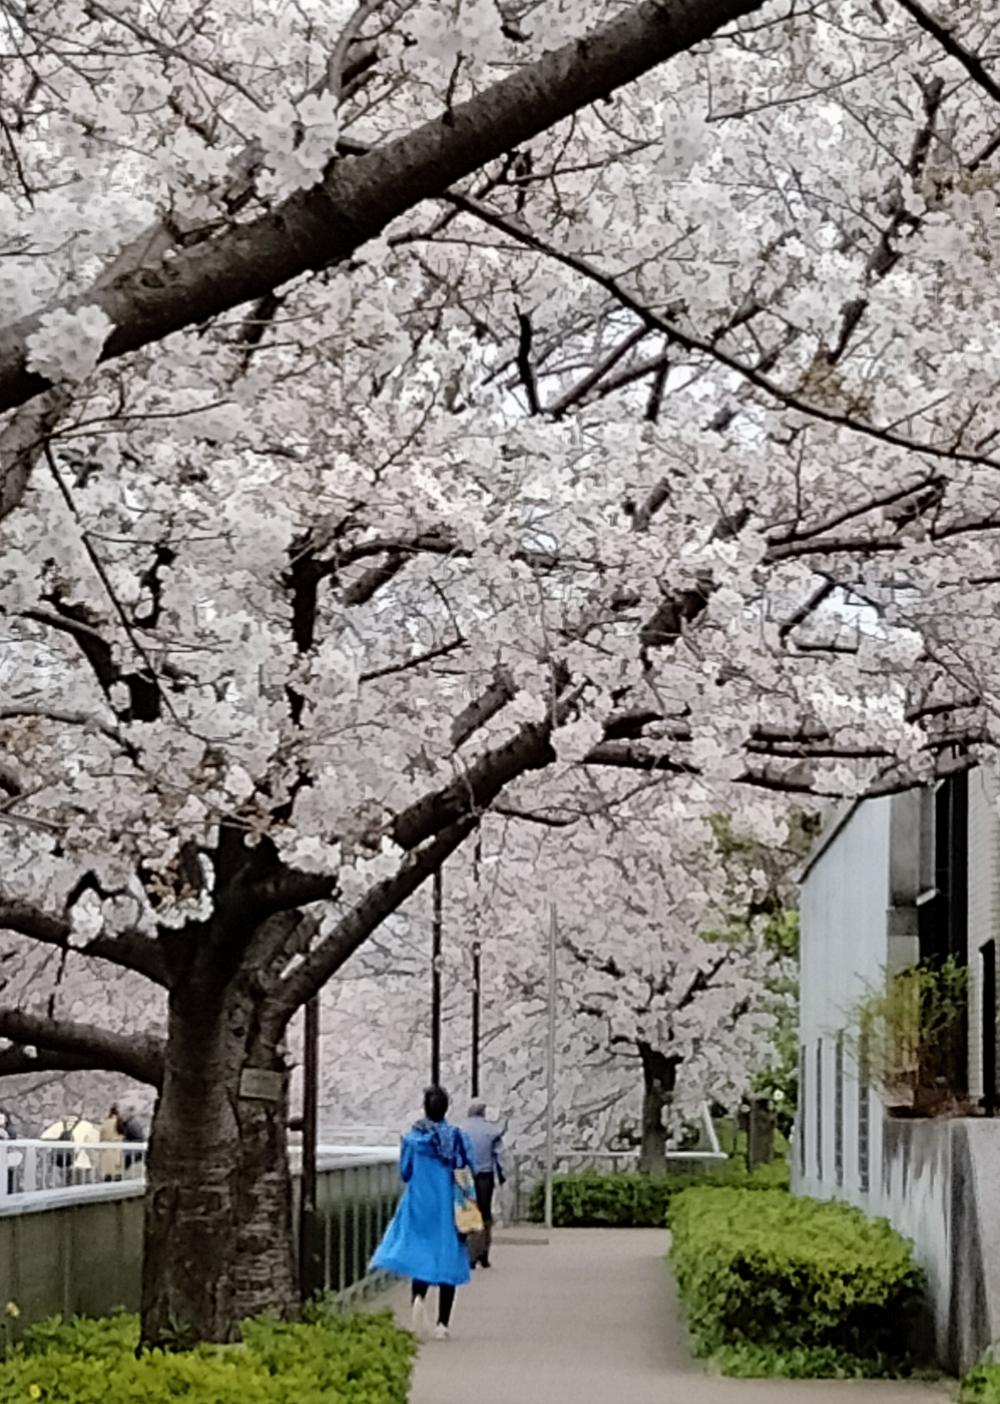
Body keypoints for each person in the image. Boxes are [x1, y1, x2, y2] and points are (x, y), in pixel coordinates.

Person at [371, 1086, 472, 1342]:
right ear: (446, 1108)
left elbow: (405, 1172)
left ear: (425, 1108)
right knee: (447, 1257)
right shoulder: (457, 1137)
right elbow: (464, 1167)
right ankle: (442, 1324)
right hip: (447, 1205)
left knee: (420, 1254)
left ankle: (418, 1300)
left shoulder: (413, 1139)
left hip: (419, 1203)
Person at [458, 1100, 506, 1269]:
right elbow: (499, 1157)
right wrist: (502, 1176)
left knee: (469, 1212)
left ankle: (469, 1255)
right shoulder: (492, 1131)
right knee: (485, 1214)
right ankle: (483, 1254)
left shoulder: (461, 1130)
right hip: (485, 1176)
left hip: (465, 1176)